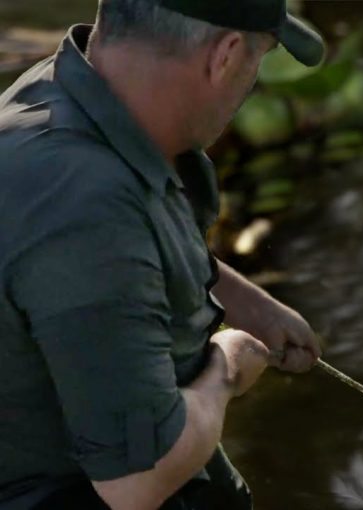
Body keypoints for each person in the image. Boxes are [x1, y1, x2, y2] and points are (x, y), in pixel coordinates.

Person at [0, 0, 325, 508]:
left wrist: (245, 300)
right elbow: (137, 482)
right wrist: (228, 366)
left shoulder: (68, 88)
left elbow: (117, 258)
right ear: (227, 54)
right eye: (259, 59)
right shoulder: (85, 203)